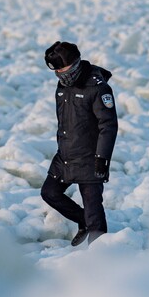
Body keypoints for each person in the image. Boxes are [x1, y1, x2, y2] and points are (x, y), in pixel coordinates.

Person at [40, 41, 118, 246]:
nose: (59, 73)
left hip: (91, 157)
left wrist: (102, 158)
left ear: (75, 63)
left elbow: (108, 126)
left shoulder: (98, 89)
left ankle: (100, 253)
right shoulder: (62, 84)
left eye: (62, 68)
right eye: (56, 70)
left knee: (94, 212)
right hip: (65, 155)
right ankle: (83, 221)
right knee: (49, 193)